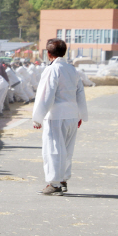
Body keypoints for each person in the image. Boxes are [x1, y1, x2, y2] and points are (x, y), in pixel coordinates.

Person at [32, 38, 88, 196]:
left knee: (53, 149)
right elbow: (80, 93)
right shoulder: (71, 69)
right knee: (67, 150)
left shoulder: (52, 69)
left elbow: (46, 94)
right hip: (71, 114)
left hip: (56, 115)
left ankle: (54, 183)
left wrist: (38, 117)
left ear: (48, 54)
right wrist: (80, 114)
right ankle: (62, 180)